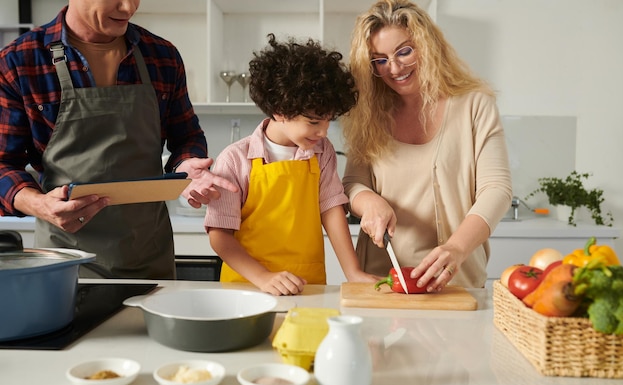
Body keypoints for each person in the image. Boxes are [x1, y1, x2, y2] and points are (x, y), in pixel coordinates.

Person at [0, 0, 237, 278]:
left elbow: (187, 137)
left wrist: (186, 166)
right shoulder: (20, 61)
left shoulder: (161, 55)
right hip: (67, 261)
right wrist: (39, 205)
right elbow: (3, 165)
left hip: (150, 255)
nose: (128, 8)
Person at [342, 0, 512, 290]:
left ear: (428, 46)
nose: (394, 68)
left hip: (458, 279)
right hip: (383, 278)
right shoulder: (368, 114)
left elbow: (496, 189)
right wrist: (369, 201)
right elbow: (353, 183)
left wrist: (456, 248)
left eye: (404, 51)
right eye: (379, 60)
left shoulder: (474, 105)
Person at [205, 34, 380, 296]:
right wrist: (263, 278)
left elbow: (332, 211)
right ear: (279, 110)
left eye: (328, 121)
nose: (323, 132)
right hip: (247, 288)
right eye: (313, 122)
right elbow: (219, 235)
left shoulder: (322, 152)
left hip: (307, 285)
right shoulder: (235, 159)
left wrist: (352, 272)